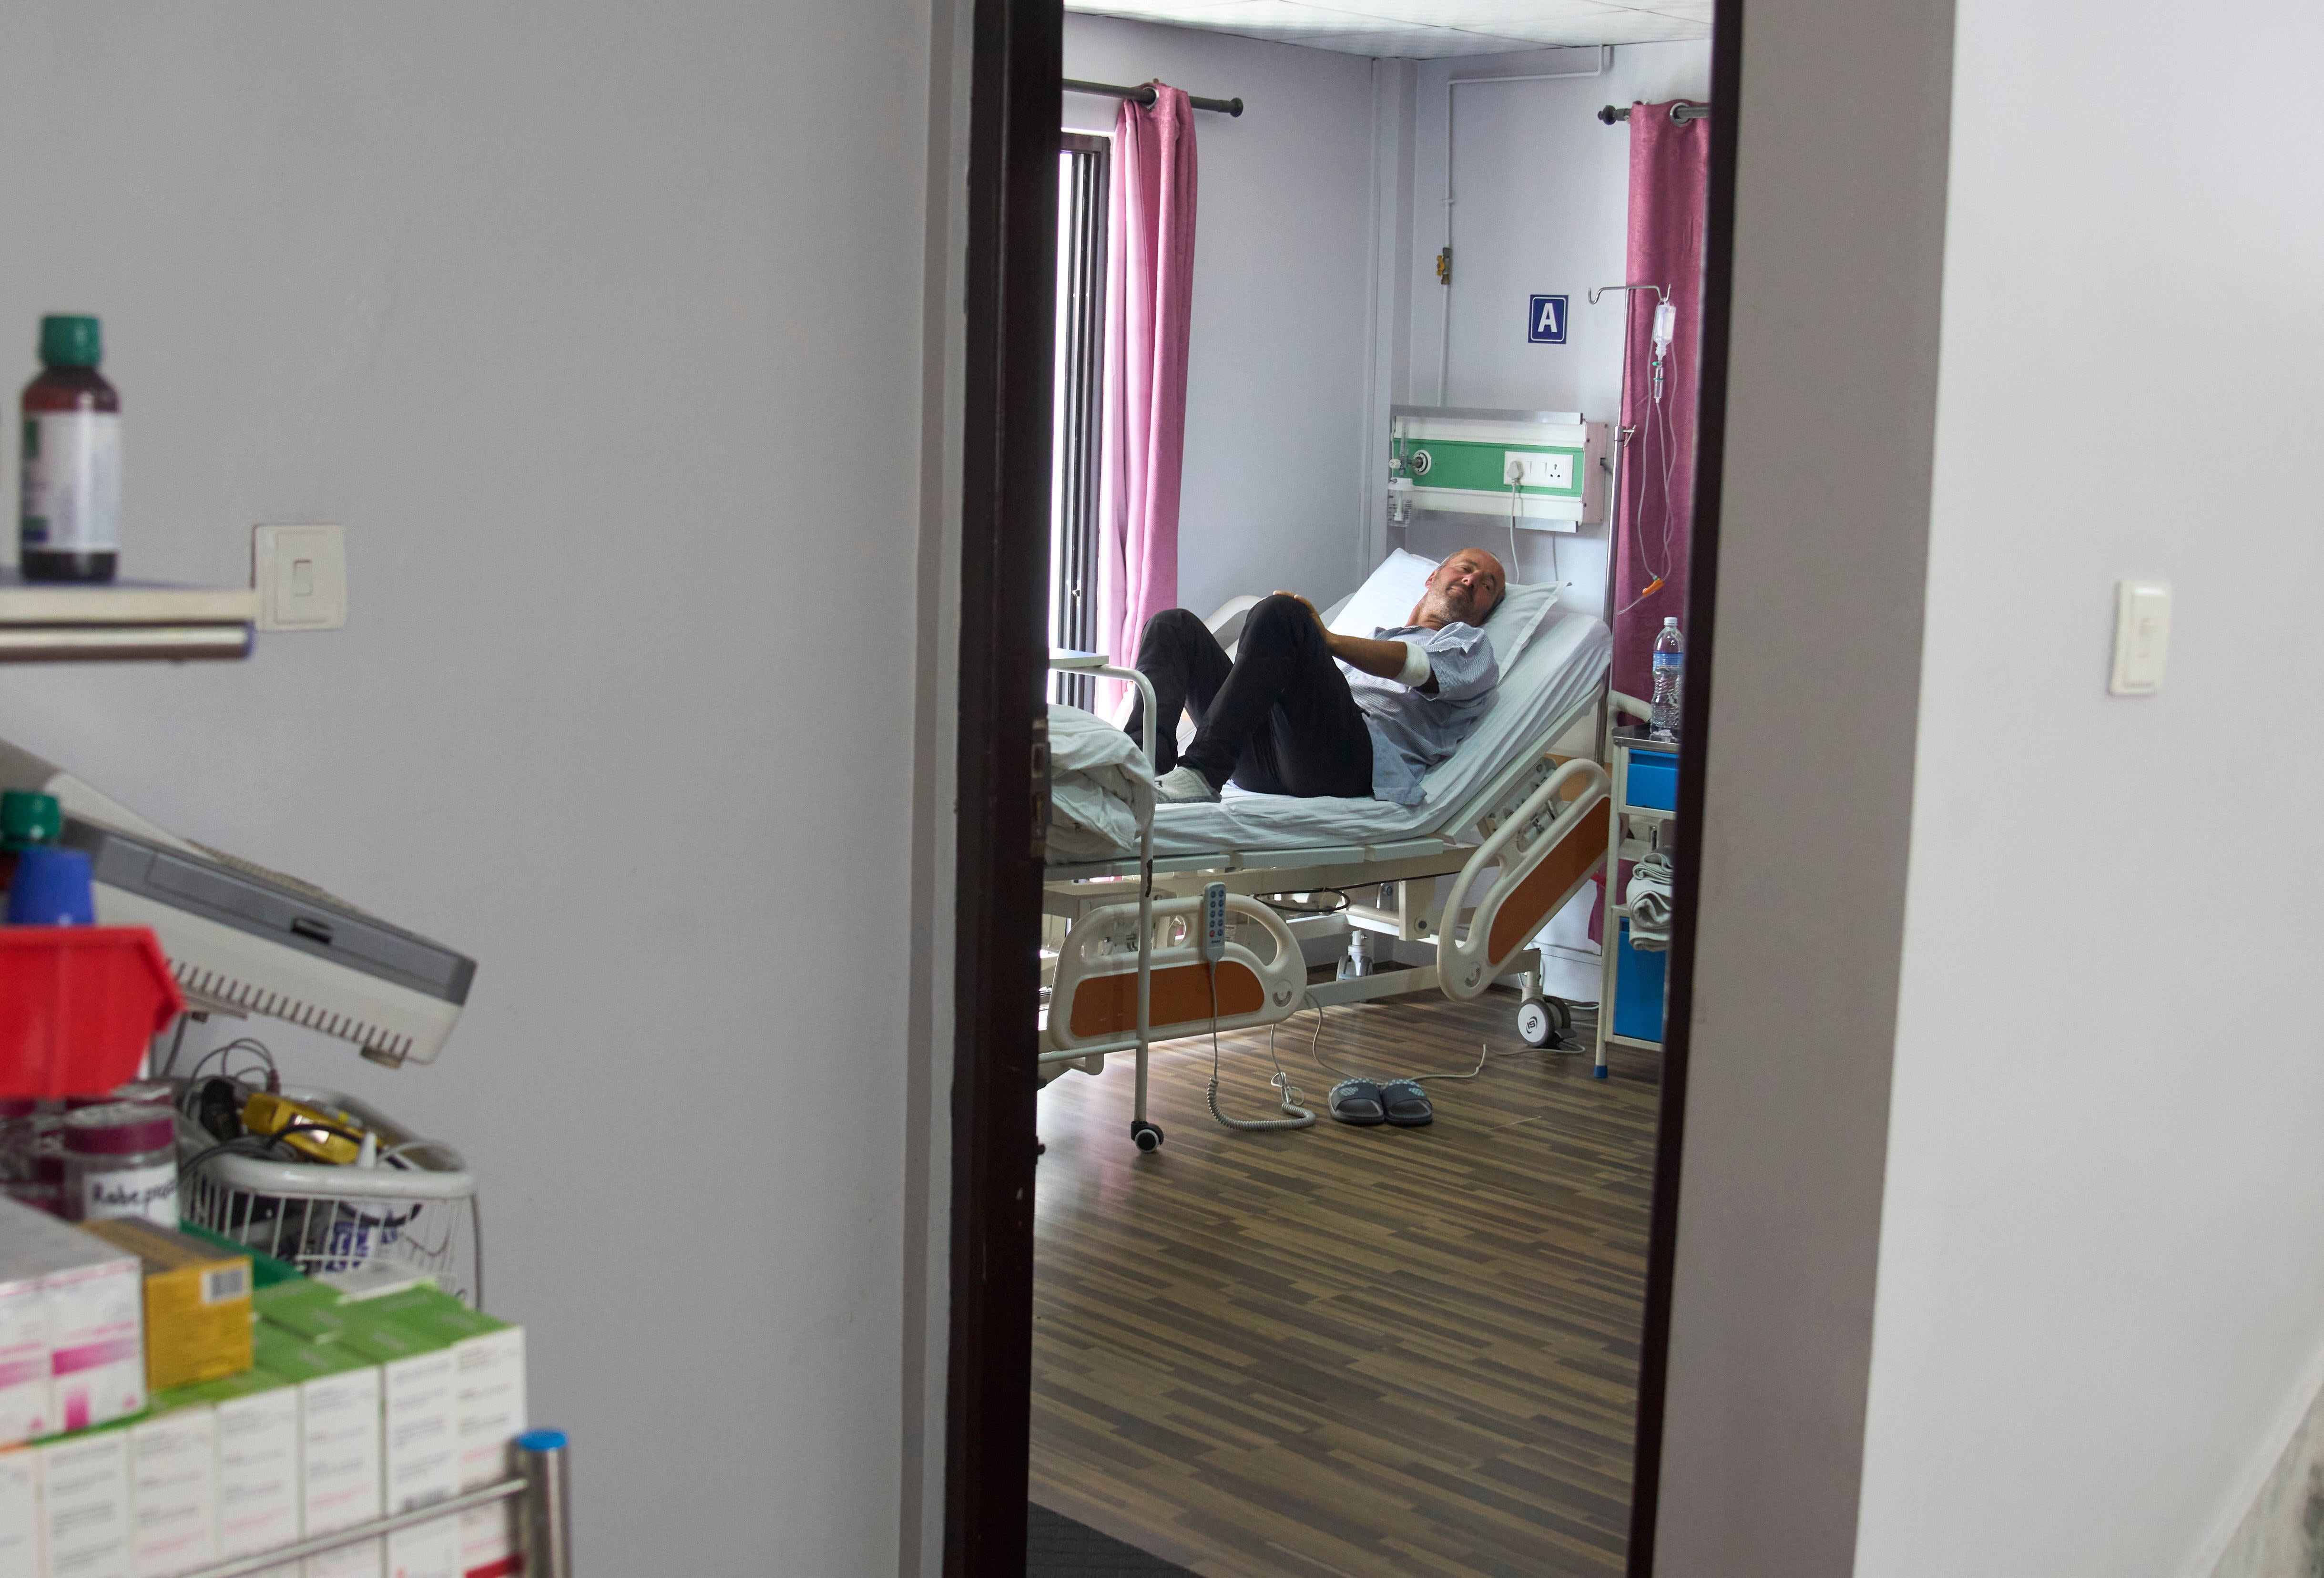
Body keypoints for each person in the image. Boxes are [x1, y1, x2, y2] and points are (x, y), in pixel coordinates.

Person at [1126, 548, 1507, 805]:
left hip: (1346, 766)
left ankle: (1200, 774)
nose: (1473, 581)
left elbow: (1418, 668)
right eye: (1466, 569)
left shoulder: (1473, 647)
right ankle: (1136, 773)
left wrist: (1327, 640)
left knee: (1282, 614)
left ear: (1488, 610)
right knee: (1172, 627)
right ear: (1433, 577)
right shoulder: (1377, 637)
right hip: (1273, 757)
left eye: (1487, 585)